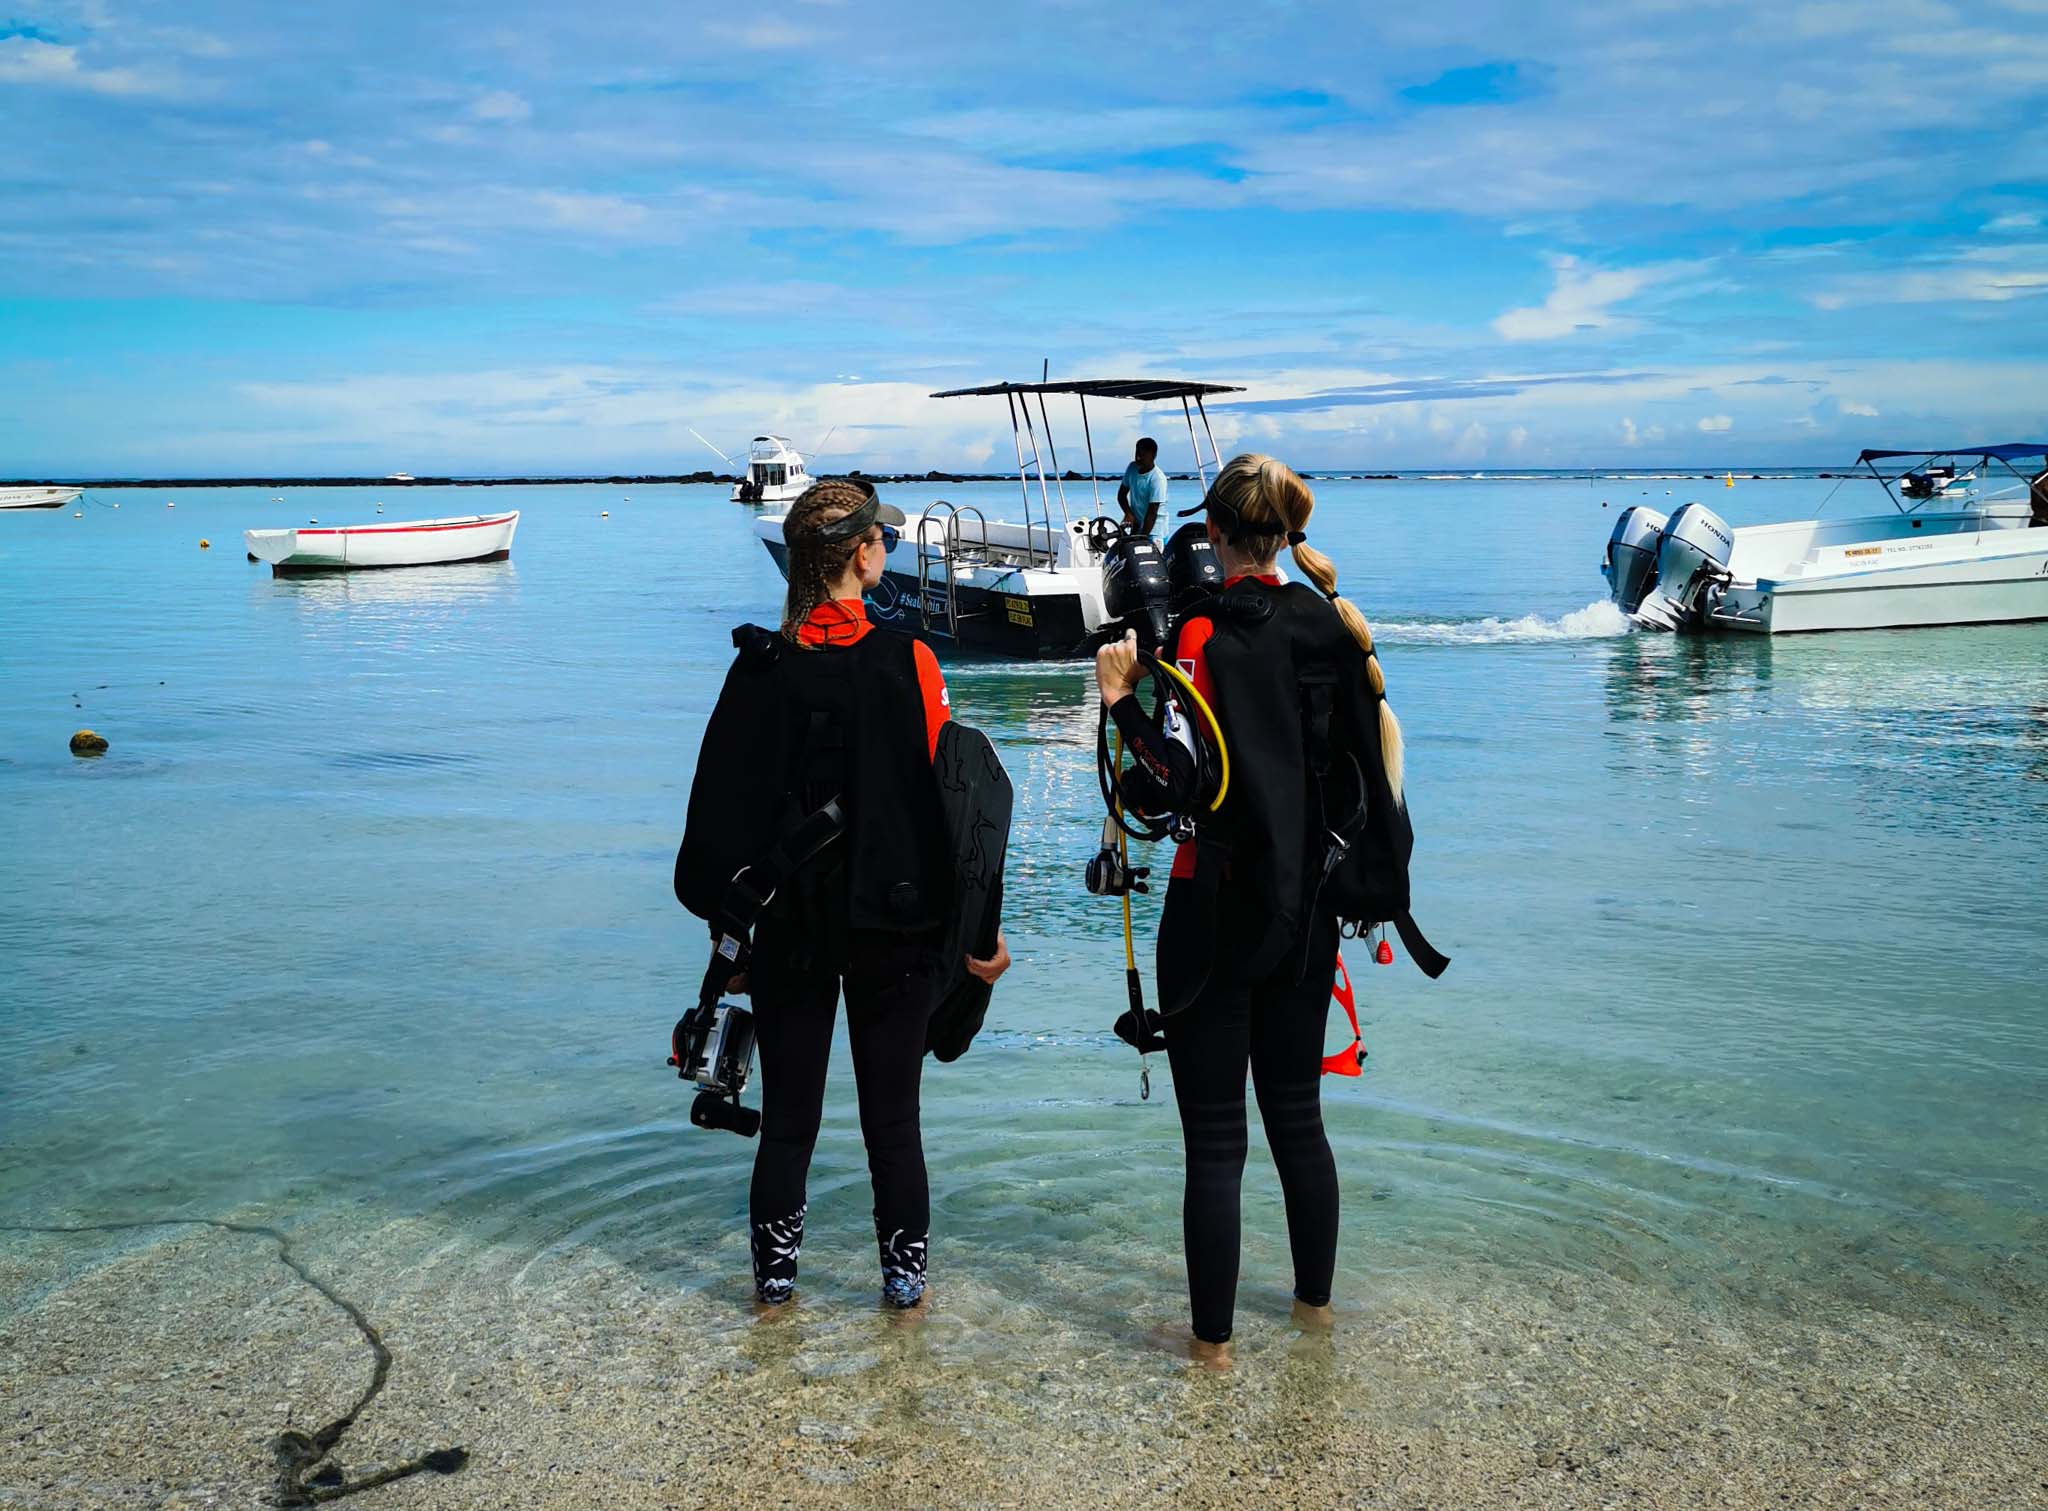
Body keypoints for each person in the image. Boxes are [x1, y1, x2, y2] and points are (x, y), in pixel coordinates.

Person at [1093, 453, 1412, 1367]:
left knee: (1218, 1145)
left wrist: (1121, 701)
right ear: (1283, 532)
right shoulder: (1331, 623)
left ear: (1217, 532)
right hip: (1306, 913)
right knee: (1298, 1119)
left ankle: (1214, 1350)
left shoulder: (1199, 635)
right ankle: (1315, 1315)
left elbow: (1169, 785)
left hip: (1212, 911)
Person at [676, 478, 1011, 1312]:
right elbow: (955, 807)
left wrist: (732, 939)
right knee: (892, 1128)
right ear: (862, 555)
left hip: (790, 927)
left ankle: (774, 1300)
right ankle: (904, 1301)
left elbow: (721, 817)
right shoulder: (912, 659)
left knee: (789, 1126)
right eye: (884, 541)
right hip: (893, 926)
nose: (888, 552)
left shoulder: (758, 668)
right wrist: (978, 940)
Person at [1117, 437, 1169, 537]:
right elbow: (1121, 495)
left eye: (1142, 455)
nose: (1138, 458)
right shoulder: (1132, 467)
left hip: (1155, 530)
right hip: (1136, 524)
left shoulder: (1158, 479)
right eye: (1137, 454)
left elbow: (1152, 514)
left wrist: (1141, 538)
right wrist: (1128, 514)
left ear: (1153, 456)